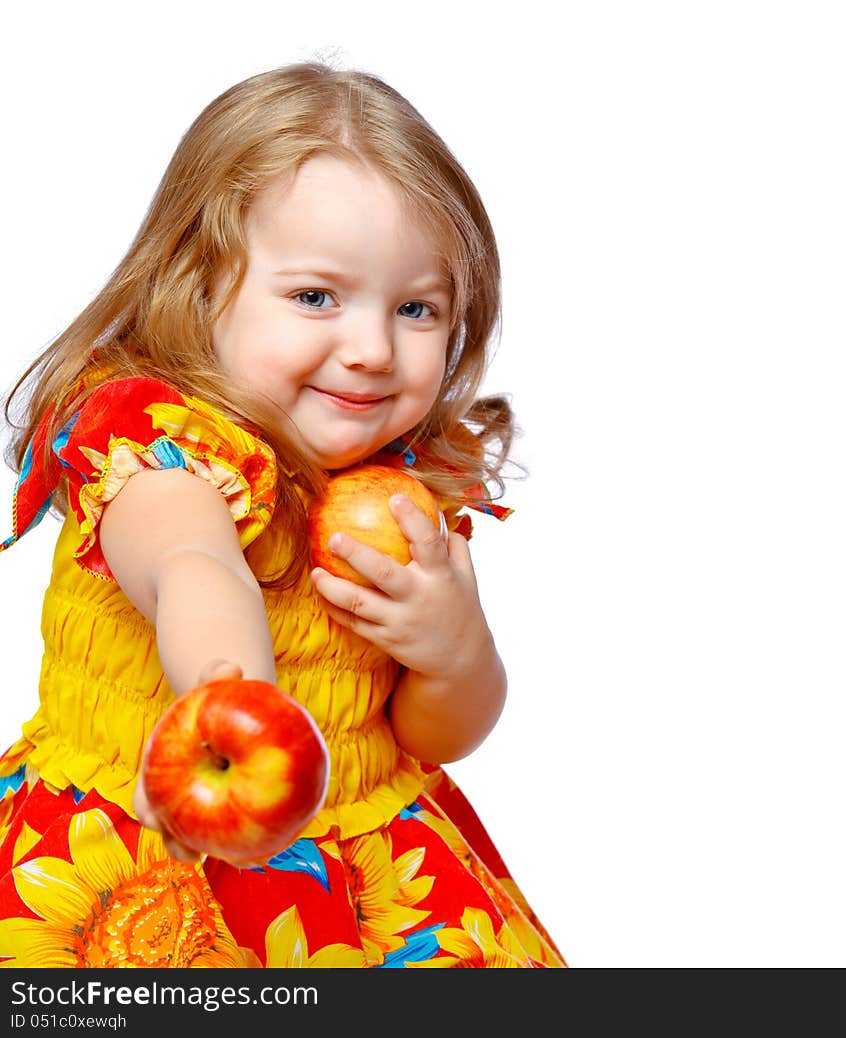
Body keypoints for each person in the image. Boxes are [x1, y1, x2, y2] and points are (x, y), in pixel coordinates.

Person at [0, 61, 566, 968]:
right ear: (198, 282)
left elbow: (434, 735)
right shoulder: (155, 442)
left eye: (417, 309)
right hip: (147, 857)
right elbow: (191, 562)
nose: (374, 349)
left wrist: (454, 649)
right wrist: (235, 696)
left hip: (363, 870)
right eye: (315, 297)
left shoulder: (403, 492)